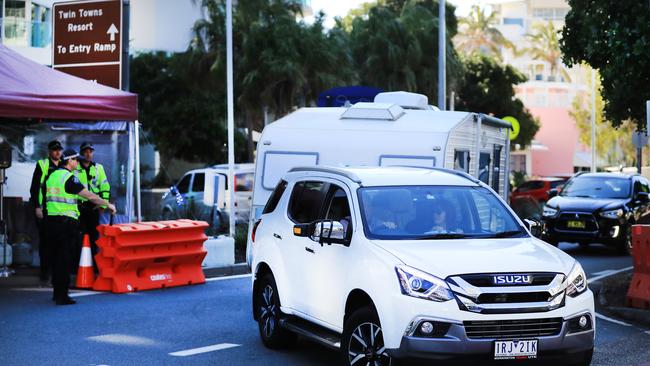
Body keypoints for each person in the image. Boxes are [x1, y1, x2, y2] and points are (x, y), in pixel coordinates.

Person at [45, 149, 116, 305]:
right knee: (64, 260)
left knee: (56, 259)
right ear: (69, 161)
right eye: (76, 160)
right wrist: (107, 204)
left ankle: (57, 293)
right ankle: (62, 296)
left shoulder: (52, 176)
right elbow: (89, 195)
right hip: (65, 224)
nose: (78, 162)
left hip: (51, 223)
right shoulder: (69, 178)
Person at [29, 140, 62, 283]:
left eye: (59, 150)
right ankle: (44, 273)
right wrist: (37, 206)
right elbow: (34, 188)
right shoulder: (42, 165)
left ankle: (57, 272)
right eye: (54, 150)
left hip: (59, 210)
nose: (57, 152)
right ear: (49, 151)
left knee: (58, 242)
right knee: (45, 242)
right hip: (45, 210)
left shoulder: (64, 165)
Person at [75, 142, 110, 272]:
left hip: (93, 208)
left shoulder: (98, 168)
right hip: (78, 207)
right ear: (81, 153)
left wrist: (103, 205)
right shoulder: (75, 168)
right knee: (78, 237)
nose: (88, 154)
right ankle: (77, 266)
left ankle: (94, 267)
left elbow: (105, 187)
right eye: (85, 151)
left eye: (90, 151)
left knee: (93, 237)